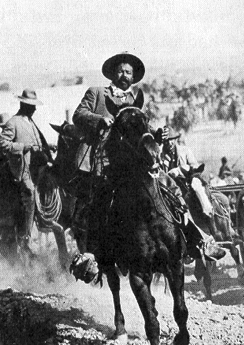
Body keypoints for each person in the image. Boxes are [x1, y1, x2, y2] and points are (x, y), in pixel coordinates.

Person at [71, 53, 224, 270]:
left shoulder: (136, 100)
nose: (124, 75)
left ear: (133, 77)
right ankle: (92, 257)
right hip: (103, 160)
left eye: (128, 72)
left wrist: (158, 133)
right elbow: (78, 115)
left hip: (134, 163)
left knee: (171, 190)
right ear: (113, 73)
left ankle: (197, 239)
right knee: (98, 203)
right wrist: (99, 120)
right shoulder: (97, 93)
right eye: (121, 71)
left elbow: (143, 128)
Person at [0, 89, 53, 258]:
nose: (34, 109)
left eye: (34, 106)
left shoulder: (31, 122)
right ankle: (25, 236)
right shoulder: (14, 122)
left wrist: (47, 148)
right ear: (23, 105)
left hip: (37, 167)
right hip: (22, 169)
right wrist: (22, 147)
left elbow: (37, 143)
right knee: (30, 192)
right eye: (30, 106)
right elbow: (1, 144)